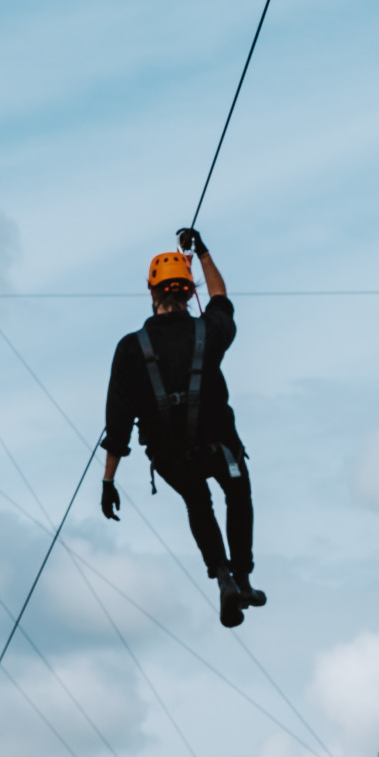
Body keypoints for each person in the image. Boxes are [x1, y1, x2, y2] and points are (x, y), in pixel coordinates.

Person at [101, 227, 266, 628]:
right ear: (189, 293)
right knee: (237, 491)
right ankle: (242, 577)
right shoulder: (209, 331)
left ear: (152, 293)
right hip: (218, 445)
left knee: (198, 502)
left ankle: (224, 578)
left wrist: (108, 482)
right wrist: (203, 252)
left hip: (171, 457)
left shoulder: (129, 348)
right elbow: (222, 299)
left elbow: (117, 424)